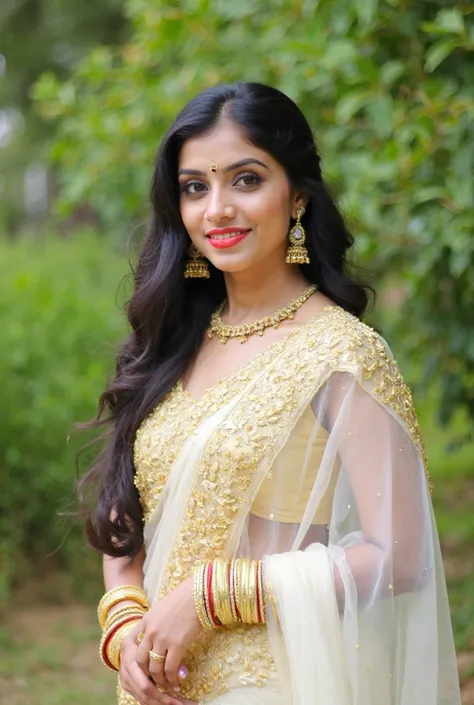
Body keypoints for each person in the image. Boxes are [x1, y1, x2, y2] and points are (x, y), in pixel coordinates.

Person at [81, 82, 461, 705]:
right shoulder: (174, 343)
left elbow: (400, 558)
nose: (217, 209)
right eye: (195, 187)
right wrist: (125, 629)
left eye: (246, 180)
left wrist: (212, 596)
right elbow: (126, 518)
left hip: (277, 680)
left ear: (299, 199)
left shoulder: (342, 353)